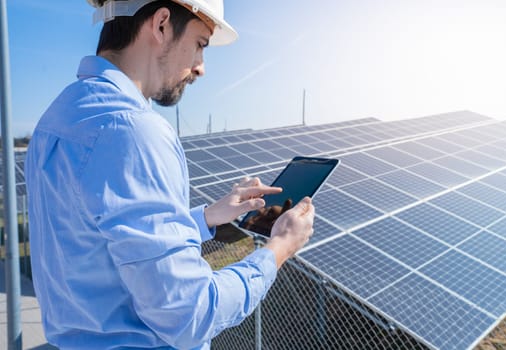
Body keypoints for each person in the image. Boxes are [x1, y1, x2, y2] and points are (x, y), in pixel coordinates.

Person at [24, 0, 315, 349]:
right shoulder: (133, 131)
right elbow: (190, 315)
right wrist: (280, 248)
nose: (201, 68)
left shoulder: (57, 119)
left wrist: (208, 216)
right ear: (162, 24)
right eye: (200, 45)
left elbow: (98, 244)